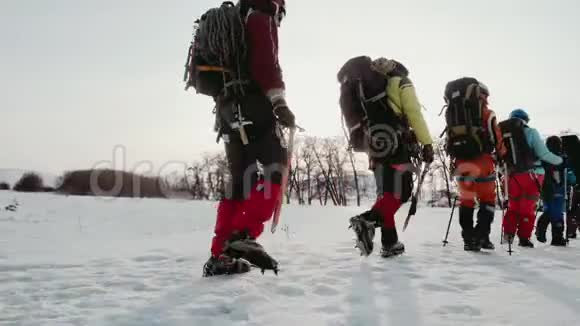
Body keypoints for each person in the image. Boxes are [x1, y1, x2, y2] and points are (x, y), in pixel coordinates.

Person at [185, 0, 295, 277]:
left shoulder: (233, 18)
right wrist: (279, 102)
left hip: (226, 110)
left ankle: (220, 255)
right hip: (254, 106)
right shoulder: (261, 17)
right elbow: (264, 64)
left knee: (240, 183)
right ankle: (243, 235)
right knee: (275, 171)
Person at [339, 57, 434, 258]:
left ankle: (390, 243)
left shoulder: (368, 88)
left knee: (387, 195)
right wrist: (427, 143)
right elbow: (414, 113)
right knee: (402, 192)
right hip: (396, 144)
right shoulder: (400, 81)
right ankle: (367, 220)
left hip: (373, 145)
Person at [443, 78, 507, 251]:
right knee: (487, 200)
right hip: (483, 161)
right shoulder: (487, 113)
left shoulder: (453, 114)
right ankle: (481, 236)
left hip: (462, 163)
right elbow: (496, 138)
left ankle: (468, 239)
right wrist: (502, 155)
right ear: (482, 95)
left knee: (466, 200)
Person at [501, 109, 562, 248]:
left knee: (513, 206)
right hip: (532, 174)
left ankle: (508, 234)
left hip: (510, 175)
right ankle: (524, 238)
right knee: (528, 207)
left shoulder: (504, 134)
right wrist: (559, 160)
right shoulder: (531, 132)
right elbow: (543, 154)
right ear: (525, 120)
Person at [536, 136, 577, 246]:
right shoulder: (562, 158)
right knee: (557, 213)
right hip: (558, 187)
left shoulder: (544, 157)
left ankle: (541, 231)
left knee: (549, 210)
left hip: (545, 187)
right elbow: (569, 173)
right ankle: (557, 238)